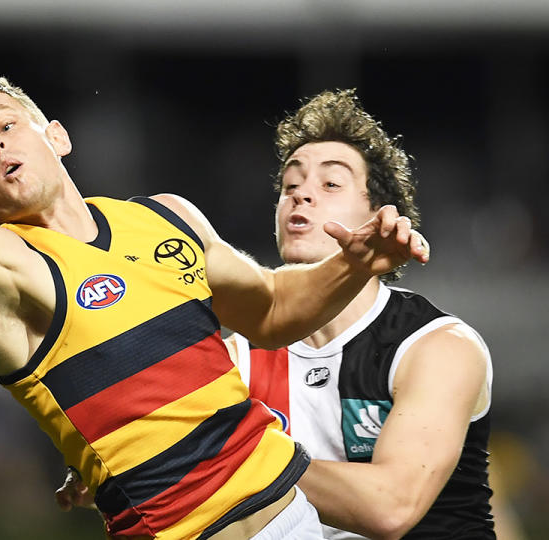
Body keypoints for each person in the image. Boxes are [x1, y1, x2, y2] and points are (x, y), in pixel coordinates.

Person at [0, 17, 428, 540]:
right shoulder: (0, 266)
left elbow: (269, 310)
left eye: (7, 125)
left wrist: (354, 265)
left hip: (292, 521)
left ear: (55, 136)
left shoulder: (164, 216)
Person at [54, 89, 495, 539]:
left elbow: (389, 508)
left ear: (379, 215)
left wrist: (209, 453)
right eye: (291, 185)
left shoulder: (436, 345)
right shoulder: (231, 359)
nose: (302, 195)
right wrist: (131, 459)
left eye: (330, 184)